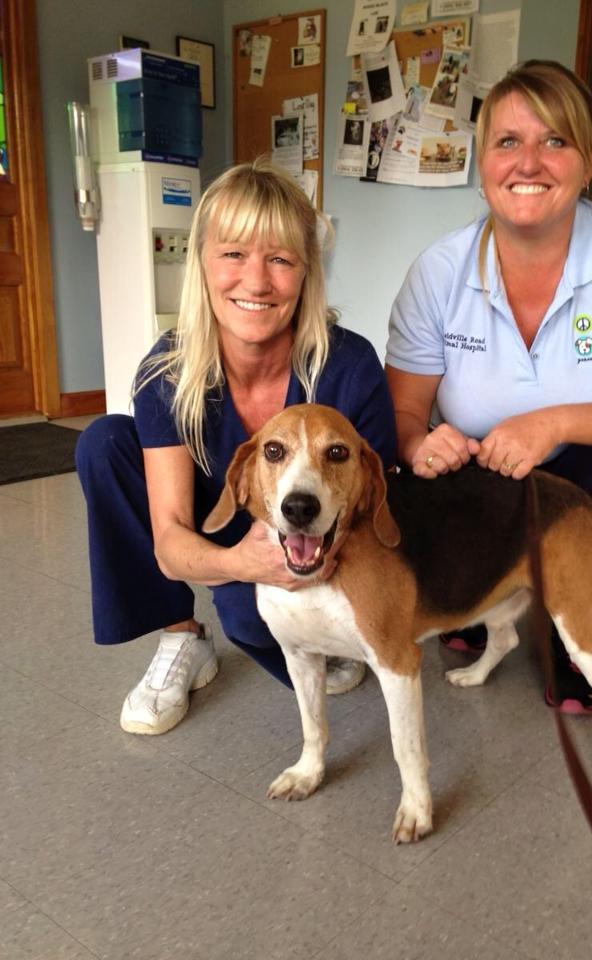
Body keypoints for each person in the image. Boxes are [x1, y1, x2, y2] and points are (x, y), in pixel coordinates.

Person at [385, 60, 592, 713]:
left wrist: (554, 423)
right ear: (482, 162)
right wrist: (420, 443)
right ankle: (471, 600)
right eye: (508, 141)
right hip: (479, 468)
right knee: (410, 477)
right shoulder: (438, 270)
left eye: (554, 141)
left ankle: (582, 629)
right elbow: (402, 411)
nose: (528, 162)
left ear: (590, 162)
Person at [76, 158, 396, 735]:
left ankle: (328, 633)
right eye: (233, 254)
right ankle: (182, 637)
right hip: (221, 523)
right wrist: (237, 564)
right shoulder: (166, 374)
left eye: (280, 259)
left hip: (323, 538)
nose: (256, 282)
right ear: (201, 262)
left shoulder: (348, 365)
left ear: (307, 271)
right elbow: (171, 543)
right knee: (104, 443)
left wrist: (310, 564)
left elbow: (379, 511)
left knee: (248, 619)